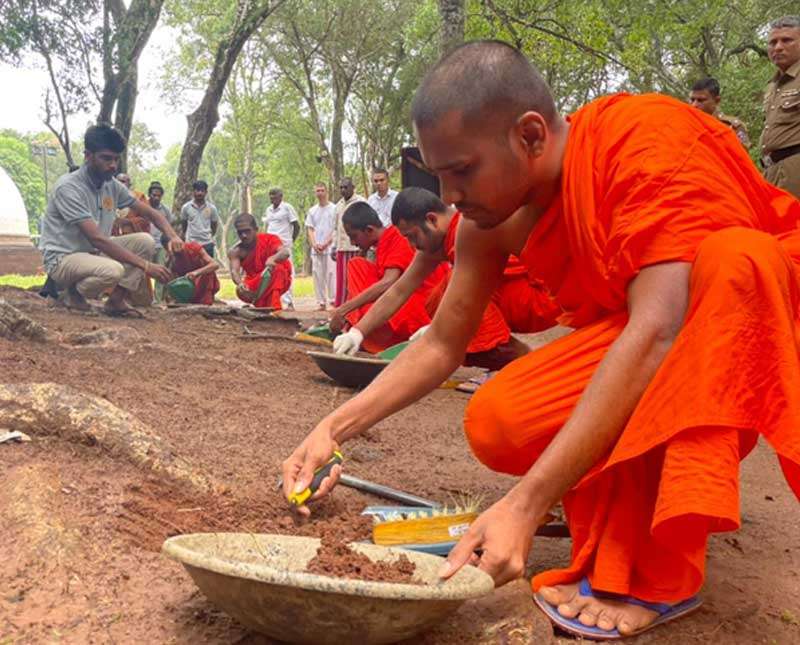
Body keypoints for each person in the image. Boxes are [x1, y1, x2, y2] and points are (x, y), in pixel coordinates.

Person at [283, 41, 800, 640]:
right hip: (645, 334)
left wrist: (526, 504)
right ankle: (609, 500)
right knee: (500, 419)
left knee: (733, 259)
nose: (448, 196)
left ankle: (659, 571)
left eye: (461, 170)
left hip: (731, 329)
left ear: (530, 136)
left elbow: (661, 329)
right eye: (438, 175)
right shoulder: (487, 217)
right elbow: (442, 343)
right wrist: (332, 428)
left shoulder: (644, 142)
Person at [333, 187, 560, 369]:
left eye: (412, 237)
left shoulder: (469, 226)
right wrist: (357, 333)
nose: (412, 246)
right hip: (510, 295)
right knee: (438, 299)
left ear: (432, 220)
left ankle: (520, 362)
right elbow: (399, 289)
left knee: (456, 285)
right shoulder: (436, 239)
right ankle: (504, 361)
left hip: (542, 299)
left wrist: (439, 327)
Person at [39, 123, 179, 315]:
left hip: (93, 254)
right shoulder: (69, 188)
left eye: (115, 159)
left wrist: (173, 236)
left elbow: (150, 213)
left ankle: (116, 301)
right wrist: (146, 266)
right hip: (64, 258)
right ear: (88, 156)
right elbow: (97, 239)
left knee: (145, 241)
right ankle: (70, 294)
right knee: (113, 270)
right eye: (106, 158)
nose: (112, 165)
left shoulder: (110, 185)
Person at [328, 202, 447, 354]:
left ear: (369, 230)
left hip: (420, 304)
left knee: (359, 269)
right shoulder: (384, 243)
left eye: (354, 237)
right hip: (403, 297)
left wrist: (344, 310)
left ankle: (362, 333)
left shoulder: (398, 236)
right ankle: (356, 330)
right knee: (357, 265)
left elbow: (390, 283)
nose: (353, 243)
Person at [761, 15, 800, 198]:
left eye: (787, 40)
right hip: (773, 170)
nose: (777, 47)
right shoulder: (773, 85)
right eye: (772, 42)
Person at [228, 213, 292, 309]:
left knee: (278, 270)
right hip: (255, 283)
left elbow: (285, 252)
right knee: (240, 291)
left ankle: (274, 308)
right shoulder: (235, 251)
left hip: (275, 278)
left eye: (247, 231)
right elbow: (234, 272)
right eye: (240, 232)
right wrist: (240, 284)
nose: (244, 235)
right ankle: (264, 305)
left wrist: (272, 258)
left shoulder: (270, 239)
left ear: (256, 229)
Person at [688, 77, 750, 147]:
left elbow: (741, 155)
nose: (694, 105)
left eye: (701, 100)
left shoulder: (733, 127)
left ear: (717, 101)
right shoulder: (687, 126)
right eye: (692, 100)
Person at [333, 176, 366, 306]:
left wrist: (363, 247)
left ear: (353, 188)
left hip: (356, 248)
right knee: (342, 281)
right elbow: (335, 228)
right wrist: (334, 246)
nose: (343, 190)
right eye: (341, 187)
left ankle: (355, 308)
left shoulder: (361, 202)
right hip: (342, 248)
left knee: (355, 279)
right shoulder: (338, 205)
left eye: (346, 187)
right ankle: (340, 308)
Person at [306, 182, 337, 310]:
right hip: (316, 248)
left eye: (322, 190)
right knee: (317, 275)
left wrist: (326, 243)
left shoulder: (334, 208)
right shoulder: (312, 210)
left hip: (330, 247)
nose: (320, 193)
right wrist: (314, 244)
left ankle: (333, 300)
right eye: (317, 191)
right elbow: (310, 229)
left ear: (327, 191)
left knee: (331, 274)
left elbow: (335, 229)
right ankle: (321, 302)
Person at [164, 235, 220, 305]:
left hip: (202, 282)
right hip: (186, 288)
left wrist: (196, 273)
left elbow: (215, 265)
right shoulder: (171, 259)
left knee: (208, 273)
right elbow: (171, 281)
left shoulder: (193, 247)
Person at [146, 181, 174, 303]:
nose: (156, 198)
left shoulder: (165, 211)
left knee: (161, 273)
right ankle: (144, 297)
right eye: (154, 195)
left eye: (158, 195)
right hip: (146, 244)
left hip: (160, 245)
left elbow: (169, 227)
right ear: (149, 195)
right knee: (143, 272)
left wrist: (168, 246)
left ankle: (157, 300)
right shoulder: (143, 207)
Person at [180, 180, 219, 257]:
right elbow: (184, 224)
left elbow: (214, 225)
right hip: (191, 243)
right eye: (197, 190)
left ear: (206, 192)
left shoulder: (212, 208)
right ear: (193, 191)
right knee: (191, 267)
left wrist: (209, 235)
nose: (200, 193)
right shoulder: (186, 207)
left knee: (209, 267)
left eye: (202, 191)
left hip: (207, 244)